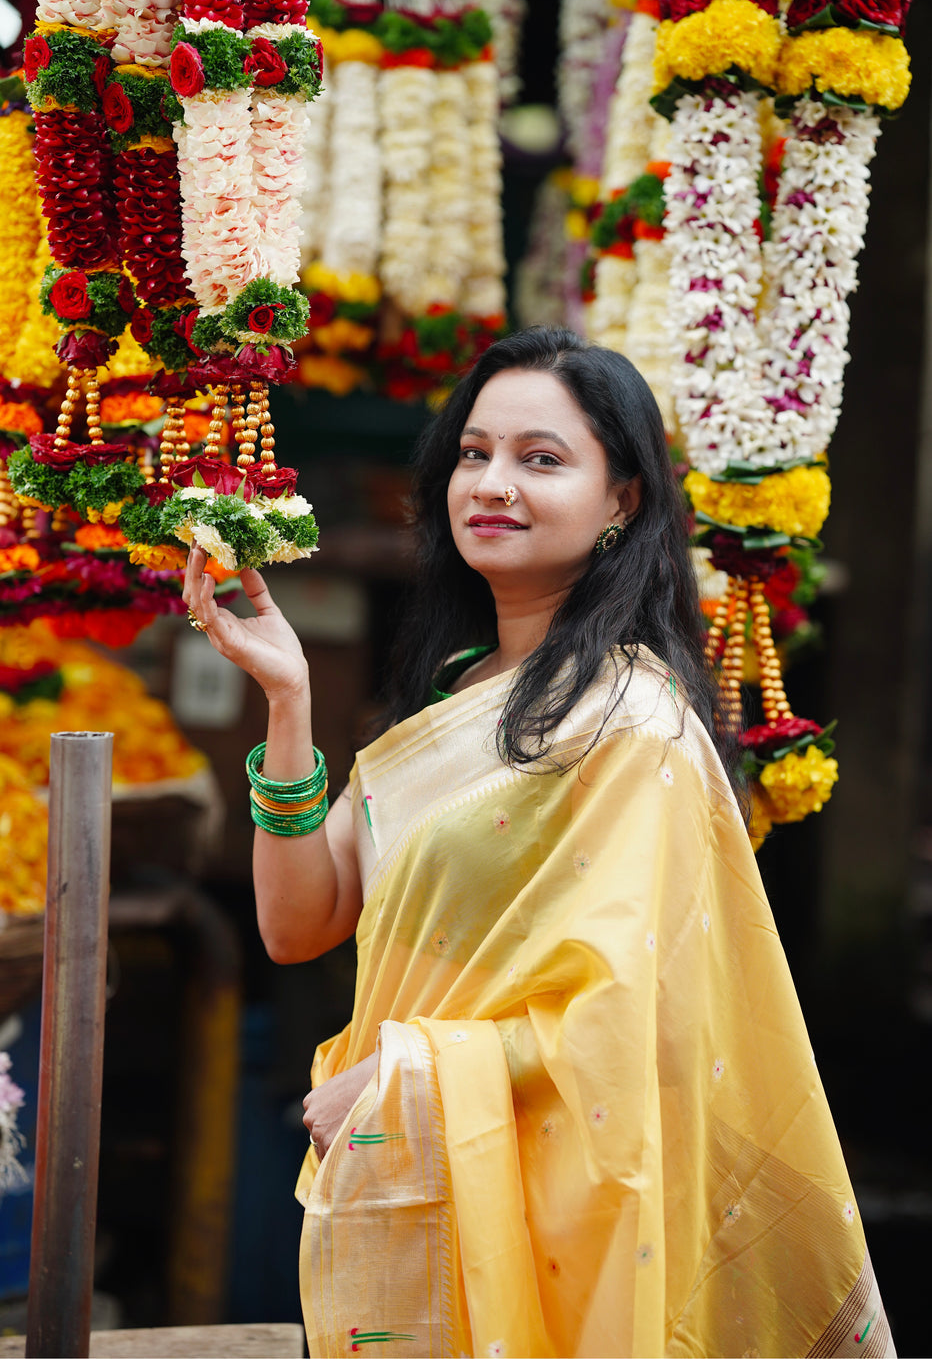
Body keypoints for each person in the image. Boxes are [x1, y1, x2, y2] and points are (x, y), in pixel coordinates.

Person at [184, 326, 893, 1358]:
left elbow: (634, 1019)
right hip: (419, 1176)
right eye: (473, 453)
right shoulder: (455, 698)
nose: (491, 483)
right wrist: (286, 700)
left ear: (622, 501)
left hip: (556, 1198)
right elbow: (298, 924)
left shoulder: (630, 730)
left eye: (540, 459)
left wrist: (397, 1081)